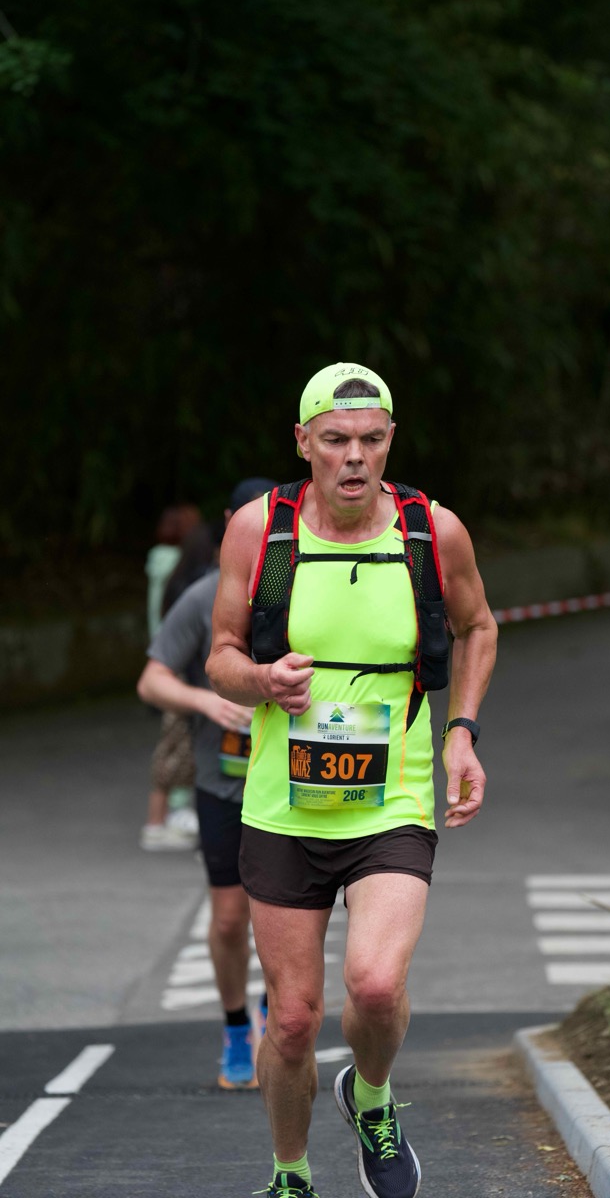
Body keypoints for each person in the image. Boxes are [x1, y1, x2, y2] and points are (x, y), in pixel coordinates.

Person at [206, 362, 497, 1198]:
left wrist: (461, 732)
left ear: (390, 440)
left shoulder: (429, 532)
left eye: (371, 439)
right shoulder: (262, 532)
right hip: (283, 805)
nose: (355, 457)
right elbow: (221, 656)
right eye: (335, 440)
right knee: (293, 1020)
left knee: (373, 985)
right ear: (303, 443)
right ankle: (290, 1174)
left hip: (391, 799)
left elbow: (478, 627)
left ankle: (371, 1098)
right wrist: (261, 681)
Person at [137, 477, 277, 1088]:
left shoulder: (304, 585)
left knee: (285, 919)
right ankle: (236, 1025)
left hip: (290, 783)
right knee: (227, 920)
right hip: (222, 785)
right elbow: (151, 679)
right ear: (227, 521)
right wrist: (206, 701)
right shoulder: (203, 596)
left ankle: (276, 1017)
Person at [141, 503, 205, 851]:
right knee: (177, 739)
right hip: (176, 657)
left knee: (175, 738)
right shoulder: (181, 567)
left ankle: (170, 817)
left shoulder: (157, 560)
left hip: (163, 650)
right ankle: (170, 816)